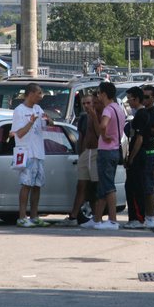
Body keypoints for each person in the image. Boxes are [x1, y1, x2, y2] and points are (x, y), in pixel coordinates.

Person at [84, 81, 125, 230]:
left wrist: (104, 135)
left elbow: (103, 125)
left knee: (108, 186)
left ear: (104, 94)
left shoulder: (108, 109)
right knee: (103, 187)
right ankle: (97, 219)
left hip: (106, 151)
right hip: (114, 150)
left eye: (99, 93)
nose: (98, 96)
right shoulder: (118, 109)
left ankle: (113, 220)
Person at [54, 94, 100, 226]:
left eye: (89, 103)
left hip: (96, 153)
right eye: (84, 103)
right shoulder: (83, 118)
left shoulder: (98, 115)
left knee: (94, 188)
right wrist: (79, 153)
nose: (86, 106)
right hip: (85, 154)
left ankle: (96, 218)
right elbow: (81, 137)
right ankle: (73, 216)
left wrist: (94, 116)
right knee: (81, 186)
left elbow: (99, 135)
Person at [13, 83, 49, 227]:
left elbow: (44, 126)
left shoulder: (38, 109)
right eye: (39, 93)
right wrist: (30, 122)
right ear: (30, 94)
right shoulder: (19, 111)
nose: (41, 96)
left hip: (38, 152)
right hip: (26, 152)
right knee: (26, 184)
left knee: (37, 185)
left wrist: (48, 120)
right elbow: (19, 133)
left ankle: (34, 216)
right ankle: (22, 217)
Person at [122, 87, 148, 229]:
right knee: (129, 187)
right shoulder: (136, 114)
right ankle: (133, 218)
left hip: (138, 156)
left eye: (129, 98)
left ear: (136, 99)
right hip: (134, 155)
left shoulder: (142, 115)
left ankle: (138, 218)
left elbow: (139, 138)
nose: (128, 102)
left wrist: (131, 157)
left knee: (136, 188)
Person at [141, 85, 154, 228]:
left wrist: (145, 128)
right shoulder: (142, 111)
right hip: (141, 152)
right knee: (141, 185)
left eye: (147, 97)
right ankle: (143, 215)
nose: (144, 99)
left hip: (149, 152)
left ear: (153, 98)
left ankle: (150, 217)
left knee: (148, 186)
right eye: (143, 96)